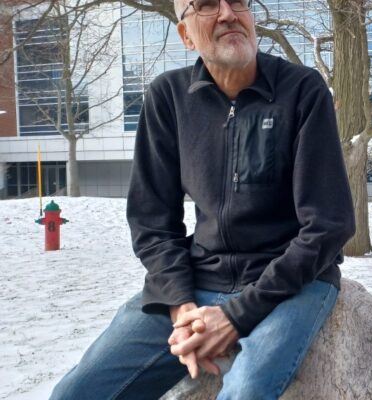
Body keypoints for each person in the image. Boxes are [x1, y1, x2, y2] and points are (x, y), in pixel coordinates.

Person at [50, 0, 355, 397]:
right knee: (76, 392)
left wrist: (235, 316)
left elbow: (329, 224)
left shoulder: (302, 90)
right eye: (208, 4)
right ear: (185, 34)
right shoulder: (167, 98)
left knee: (244, 391)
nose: (229, 13)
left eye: (239, 2)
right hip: (199, 278)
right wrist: (182, 308)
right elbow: (152, 221)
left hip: (292, 284)